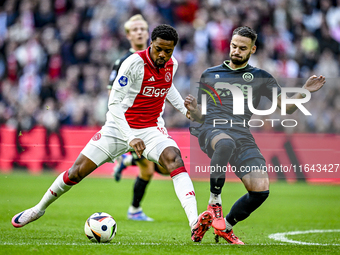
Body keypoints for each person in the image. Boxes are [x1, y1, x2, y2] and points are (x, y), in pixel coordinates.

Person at [11, 24, 213, 242]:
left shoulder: (172, 64)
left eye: (169, 51)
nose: (163, 55)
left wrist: (187, 111)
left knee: (174, 159)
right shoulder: (133, 63)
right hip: (118, 128)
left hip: (151, 129)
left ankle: (194, 223)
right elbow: (114, 104)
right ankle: (39, 209)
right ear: (151, 44)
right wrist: (130, 136)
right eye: (159, 49)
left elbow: (167, 87)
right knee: (76, 172)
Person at [185, 26, 325, 244]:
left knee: (260, 190)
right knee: (225, 143)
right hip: (212, 129)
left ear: (253, 50)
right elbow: (199, 116)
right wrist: (193, 110)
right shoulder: (210, 74)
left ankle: (226, 226)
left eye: (242, 48)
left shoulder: (261, 77)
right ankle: (214, 202)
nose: (236, 51)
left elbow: (285, 107)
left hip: (241, 133)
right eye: (233, 46)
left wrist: (304, 91)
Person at [107, 14, 168, 222]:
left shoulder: (157, 59)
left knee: (152, 170)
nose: (140, 32)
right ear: (128, 35)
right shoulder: (123, 61)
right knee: (155, 168)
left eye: (143, 28)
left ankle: (128, 161)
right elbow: (112, 95)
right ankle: (134, 209)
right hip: (129, 124)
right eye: (135, 29)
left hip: (148, 123)